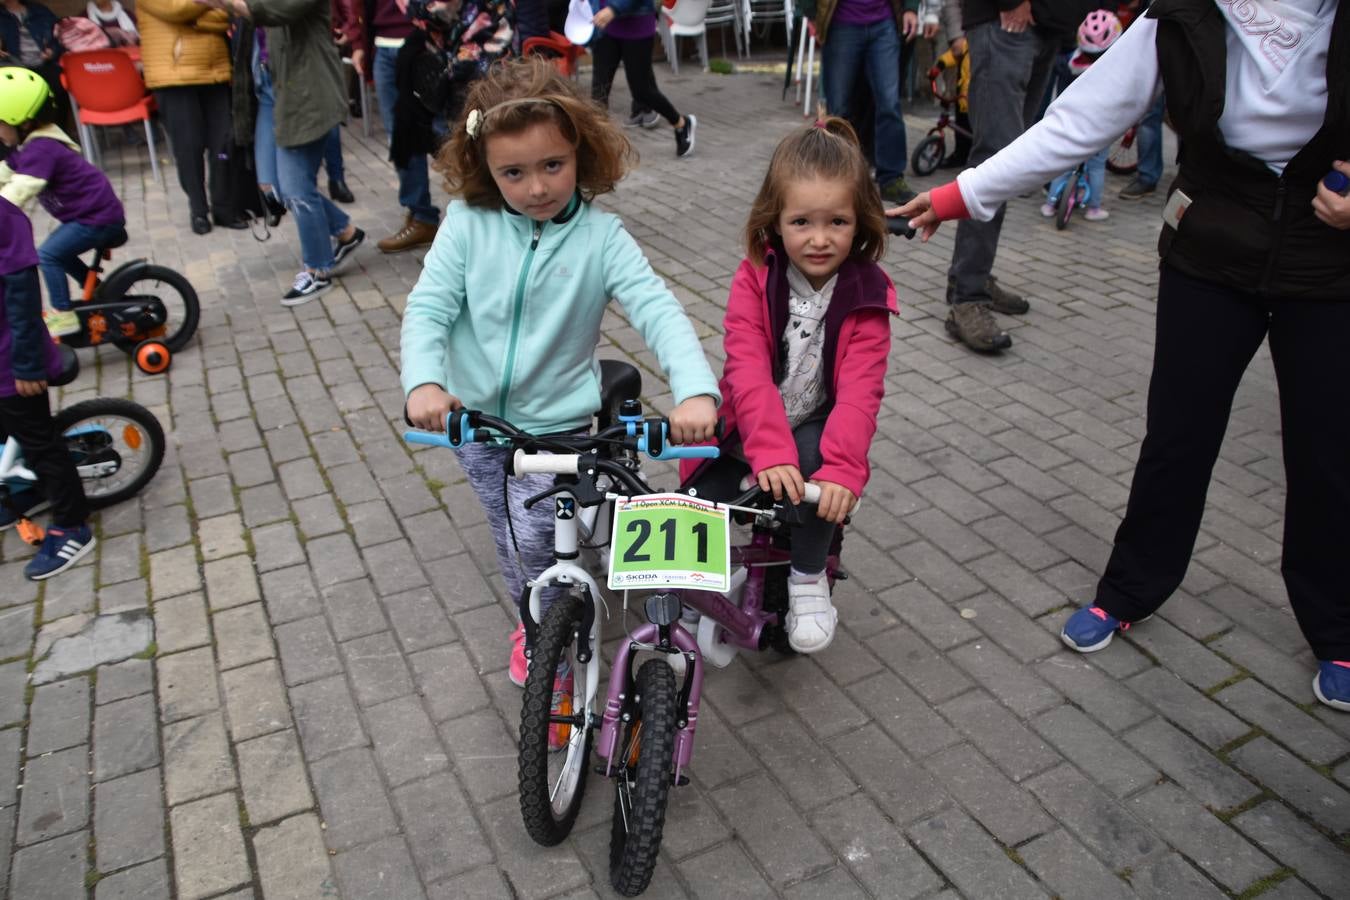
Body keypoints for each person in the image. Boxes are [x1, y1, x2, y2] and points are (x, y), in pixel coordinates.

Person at [896, 0, 1350, 712]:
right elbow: (1079, 120)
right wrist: (962, 194)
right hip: (1214, 247)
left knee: (1328, 453)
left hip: (1330, 263)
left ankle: (1338, 625)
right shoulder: (1181, 13)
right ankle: (1130, 589)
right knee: (1177, 437)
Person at [401, 57, 721, 686]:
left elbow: (658, 309)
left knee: (536, 532)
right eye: (513, 173)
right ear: (486, 171)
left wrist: (694, 392)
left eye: (553, 165)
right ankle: (531, 612)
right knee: (509, 531)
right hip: (477, 422)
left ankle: (550, 633)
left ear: (581, 151)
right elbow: (429, 307)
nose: (538, 187)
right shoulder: (467, 225)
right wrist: (424, 382)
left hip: (560, 425)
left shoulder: (602, 238)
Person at [681, 118, 896, 653]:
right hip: (745, 422)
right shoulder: (754, 276)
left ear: (860, 222)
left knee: (817, 480)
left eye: (837, 222)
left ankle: (806, 578)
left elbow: (860, 394)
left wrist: (843, 470)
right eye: (801, 221)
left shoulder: (869, 291)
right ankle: (694, 587)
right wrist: (766, 450)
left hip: (816, 424)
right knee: (698, 503)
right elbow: (747, 371)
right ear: (774, 222)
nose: (819, 239)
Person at [935, 0, 1090, 353]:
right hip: (1007, 20)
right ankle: (967, 297)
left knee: (1012, 161)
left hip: (1046, 25)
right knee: (995, 160)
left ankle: (969, 277)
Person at [197, 0, 366, 304]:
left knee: (297, 189)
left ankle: (317, 270)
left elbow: (271, 10)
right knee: (271, 186)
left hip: (304, 94)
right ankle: (345, 231)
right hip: (268, 91)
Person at [0, 68, 97, 581]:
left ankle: (73, 524)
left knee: (40, 441)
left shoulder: (6, 210)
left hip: (14, 359)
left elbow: (18, 289)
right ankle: (25, 488)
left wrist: (27, 362)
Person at [0, 65, 125, 339]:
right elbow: (6, 172)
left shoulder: (42, 149)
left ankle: (63, 314)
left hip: (97, 218)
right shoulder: (29, 145)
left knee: (47, 254)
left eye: (1, 124)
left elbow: (21, 188)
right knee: (59, 253)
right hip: (88, 216)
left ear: (22, 121)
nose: (0, 133)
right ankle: (99, 293)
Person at [139, 0, 247, 234]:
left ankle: (223, 207)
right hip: (174, 77)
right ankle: (198, 210)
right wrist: (205, 11)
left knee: (224, 142)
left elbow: (225, 15)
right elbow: (177, 10)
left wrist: (195, 20)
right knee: (189, 147)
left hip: (215, 71)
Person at [812, 0, 920, 205]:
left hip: (884, 22)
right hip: (841, 22)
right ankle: (836, 178)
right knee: (838, 110)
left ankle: (891, 179)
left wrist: (911, 8)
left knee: (890, 104)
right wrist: (808, 12)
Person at [1039, 10, 1122, 222]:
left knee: (1064, 163)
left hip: (1071, 122)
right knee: (1096, 166)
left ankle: (1050, 204)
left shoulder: (1068, 63)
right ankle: (1094, 208)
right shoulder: (1112, 72)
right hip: (1100, 127)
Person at [589, 0, 696, 157]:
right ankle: (596, 148)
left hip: (636, 29)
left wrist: (613, 9)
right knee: (599, 90)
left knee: (642, 91)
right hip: (606, 27)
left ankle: (681, 123)